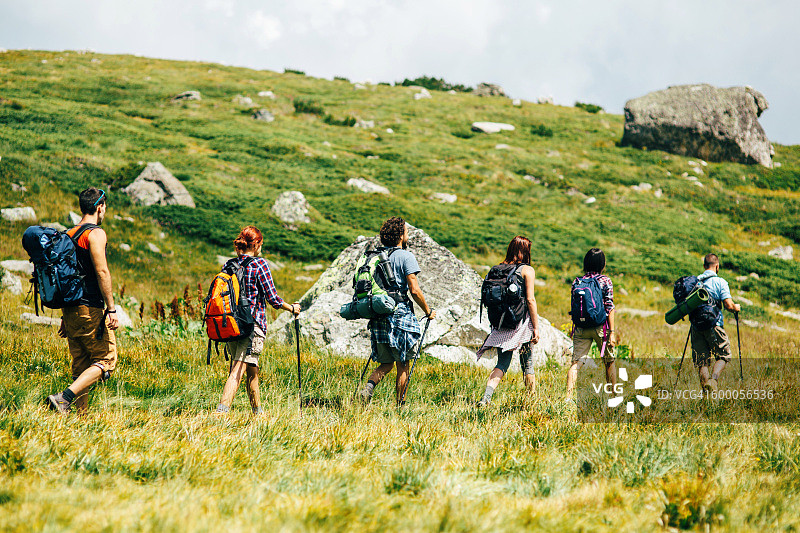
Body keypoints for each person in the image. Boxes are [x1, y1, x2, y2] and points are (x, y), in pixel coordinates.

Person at [47, 188, 120, 413]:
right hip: (90, 308)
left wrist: (65, 316)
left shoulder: (68, 234)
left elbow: (66, 276)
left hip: (71, 309)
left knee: (81, 366)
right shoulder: (95, 234)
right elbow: (102, 272)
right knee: (107, 360)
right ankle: (64, 397)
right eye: (104, 206)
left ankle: (81, 420)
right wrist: (111, 308)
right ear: (99, 207)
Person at [215, 226, 300, 414]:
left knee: (251, 370)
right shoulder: (259, 265)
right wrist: (292, 308)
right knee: (237, 370)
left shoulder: (229, 265)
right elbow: (273, 299)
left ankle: (258, 413)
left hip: (231, 324)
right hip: (252, 325)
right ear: (256, 244)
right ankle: (221, 413)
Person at [358, 217, 436, 405]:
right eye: (406, 232)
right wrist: (427, 311)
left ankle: (368, 388)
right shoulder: (405, 256)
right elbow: (414, 289)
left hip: (377, 314)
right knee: (403, 363)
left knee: (385, 363)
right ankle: (400, 405)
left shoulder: (375, 256)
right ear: (401, 235)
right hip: (399, 315)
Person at [476, 236, 541, 407]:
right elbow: (530, 300)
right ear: (526, 251)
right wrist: (536, 327)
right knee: (527, 362)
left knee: (502, 364)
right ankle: (531, 401)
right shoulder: (527, 270)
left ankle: (486, 397)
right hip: (520, 323)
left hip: (501, 322)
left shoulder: (497, 269)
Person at [565, 248, 616, 403]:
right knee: (609, 362)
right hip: (601, 327)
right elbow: (609, 307)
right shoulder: (605, 281)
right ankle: (614, 396)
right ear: (602, 263)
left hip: (581, 327)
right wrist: (612, 332)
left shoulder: (577, 281)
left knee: (576, 363)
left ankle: (567, 397)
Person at [692, 253, 740, 392]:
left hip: (696, 326)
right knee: (723, 355)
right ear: (717, 266)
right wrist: (736, 307)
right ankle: (713, 380)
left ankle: (707, 395)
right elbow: (729, 306)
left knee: (702, 362)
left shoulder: (695, 282)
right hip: (714, 325)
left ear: (704, 266)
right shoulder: (720, 282)